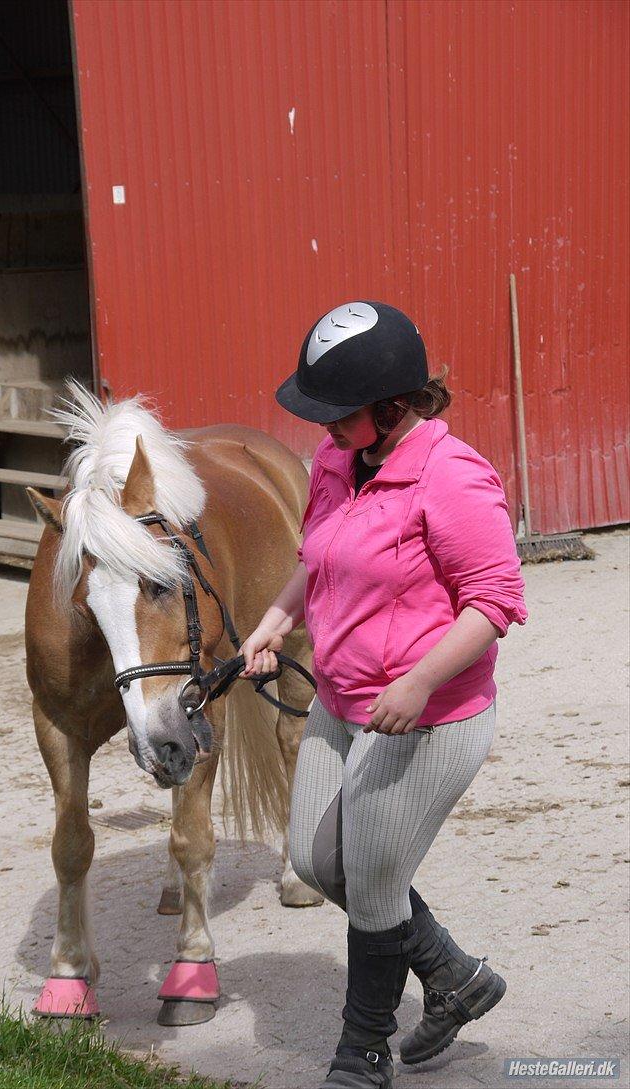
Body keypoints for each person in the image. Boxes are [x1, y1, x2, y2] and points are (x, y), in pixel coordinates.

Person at [238, 301, 528, 1089]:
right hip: (339, 701)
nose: (325, 427)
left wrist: (422, 678)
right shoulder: (337, 462)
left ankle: (363, 1050)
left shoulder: (452, 476)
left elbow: (495, 601)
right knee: (316, 859)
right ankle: (453, 973)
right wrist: (274, 622)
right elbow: (317, 558)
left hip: (425, 718)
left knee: (369, 879)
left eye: (340, 412)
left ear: (394, 406)